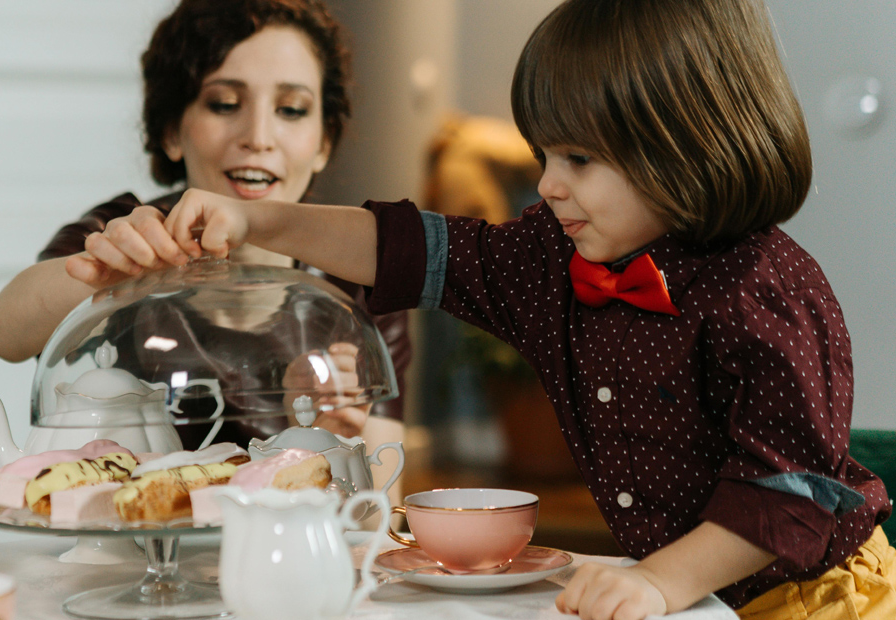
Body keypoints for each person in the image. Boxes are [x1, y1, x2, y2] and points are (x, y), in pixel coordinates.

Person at [98, 0, 896, 618]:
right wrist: (259, 222)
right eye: (545, 154)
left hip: (810, 597)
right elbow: (411, 247)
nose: (547, 183)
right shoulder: (552, 255)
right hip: (676, 593)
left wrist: (659, 581)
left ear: (687, 142)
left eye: (578, 159)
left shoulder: (766, 291)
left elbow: (788, 492)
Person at [0, 0, 410, 458]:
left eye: (291, 109)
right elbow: (1, 333)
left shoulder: (358, 272)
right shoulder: (129, 227)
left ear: (324, 142)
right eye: (224, 104)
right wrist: (111, 270)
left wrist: (329, 435)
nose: (259, 136)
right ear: (170, 130)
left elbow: (380, 495)